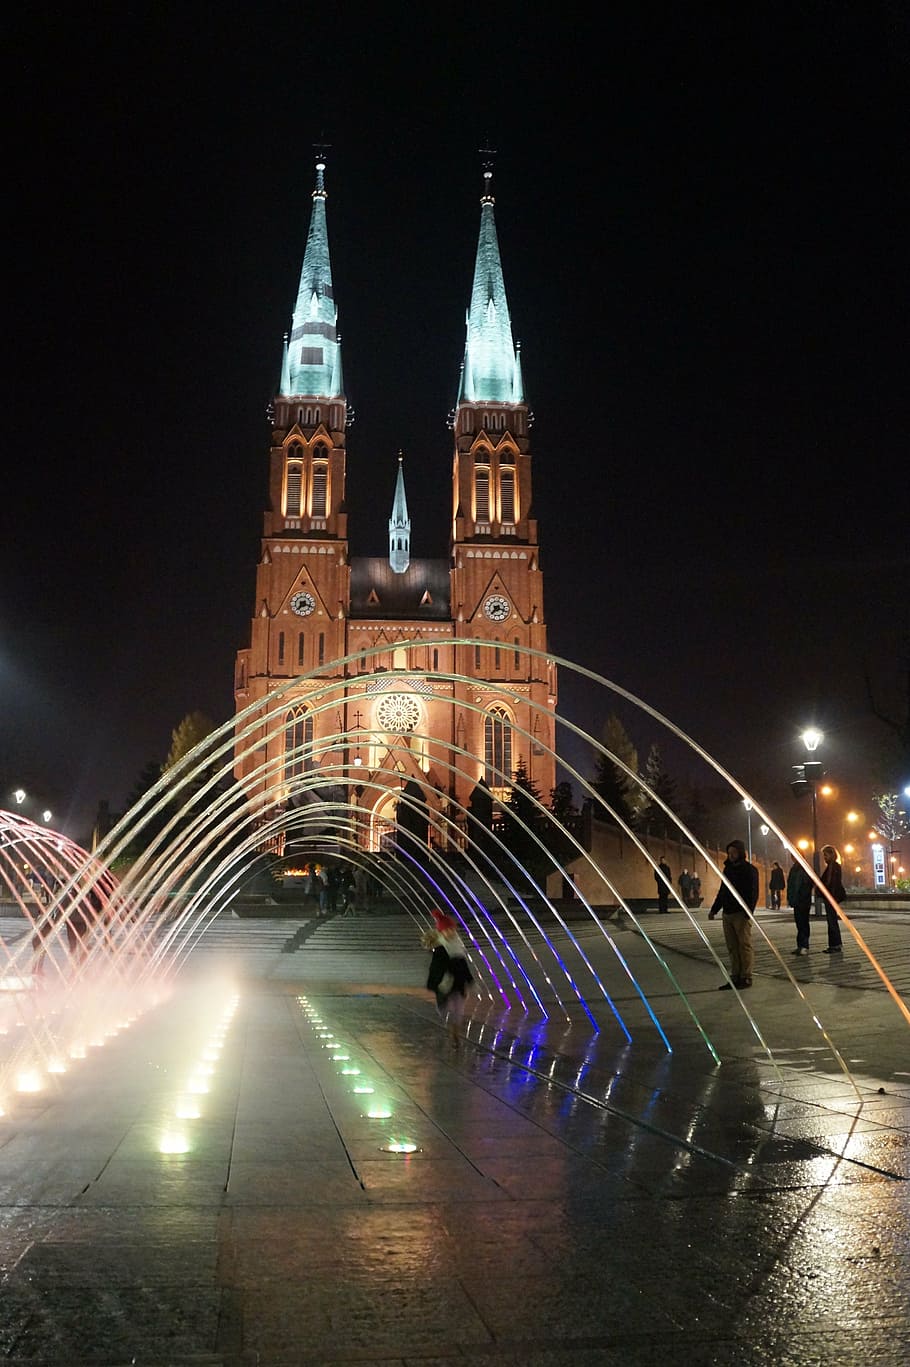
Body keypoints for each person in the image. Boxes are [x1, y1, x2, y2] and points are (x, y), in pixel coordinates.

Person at [708, 838, 759, 989]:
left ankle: (746, 976)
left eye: (734, 852)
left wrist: (748, 912)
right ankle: (735, 975)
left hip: (740, 913)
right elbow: (723, 891)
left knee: (744, 945)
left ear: (740, 853)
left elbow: (753, 892)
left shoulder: (749, 870)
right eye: (729, 853)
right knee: (732, 946)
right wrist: (714, 909)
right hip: (728, 912)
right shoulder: (728, 869)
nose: (731, 855)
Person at [423, 909, 474, 1045]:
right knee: (444, 1010)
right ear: (441, 932)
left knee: (458, 1011)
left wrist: (470, 981)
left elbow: (463, 965)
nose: (451, 932)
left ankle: (455, 1035)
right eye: (447, 930)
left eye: (452, 929)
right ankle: (450, 1026)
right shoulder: (440, 949)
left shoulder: (458, 945)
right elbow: (435, 968)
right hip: (444, 985)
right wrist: (437, 982)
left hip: (458, 982)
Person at [819, 845, 846, 953]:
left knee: (832, 921)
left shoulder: (833, 867)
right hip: (831, 897)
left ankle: (835, 945)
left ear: (831, 855)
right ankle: (835, 944)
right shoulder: (832, 867)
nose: (824, 858)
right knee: (831, 920)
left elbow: (832, 883)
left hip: (831, 897)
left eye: (826, 855)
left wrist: (830, 897)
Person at [786, 853, 813, 955]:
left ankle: (804, 946)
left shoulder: (804, 868)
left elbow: (807, 885)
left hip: (803, 901)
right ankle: (800, 945)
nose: (792, 858)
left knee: (803, 923)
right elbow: (791, 884)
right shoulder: (794, 869)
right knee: (799, 923)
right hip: (797, 900)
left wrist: (802, 896)